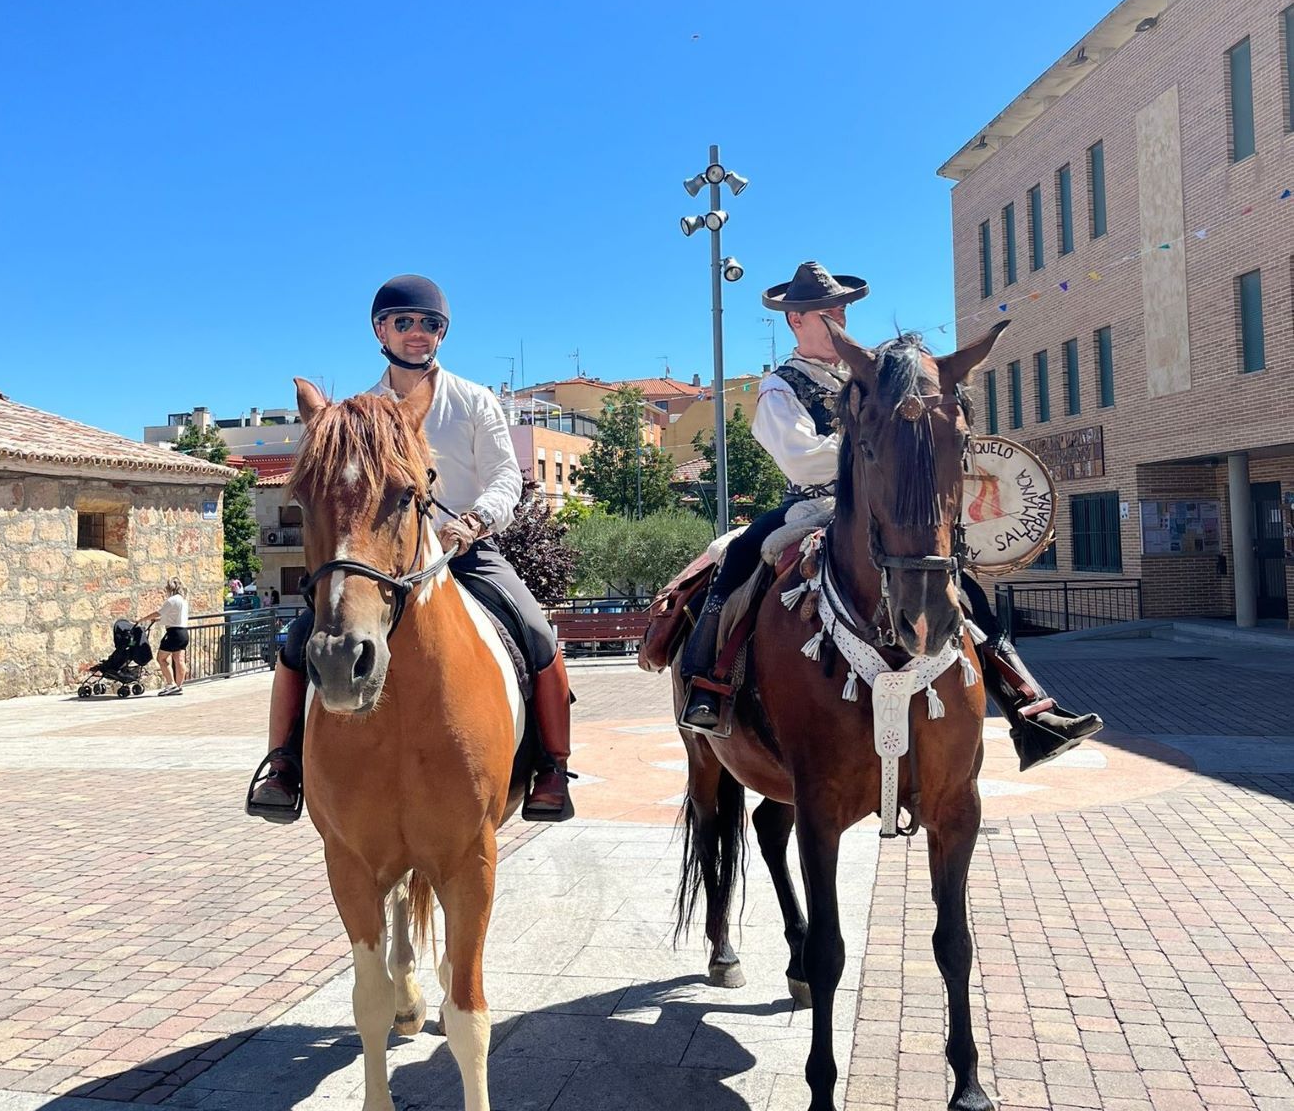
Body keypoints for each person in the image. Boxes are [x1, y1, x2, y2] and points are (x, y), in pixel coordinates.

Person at [679, 261, 1102, 772]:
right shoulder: (779, 385)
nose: (838, 317)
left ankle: (1027, 706)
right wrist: (869, 446)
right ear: (795, 320)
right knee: (740, 556)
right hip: (812, 504)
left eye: (841, 308)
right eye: (825, 310)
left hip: (884, 502)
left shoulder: (867, 376)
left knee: (956, 579)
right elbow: (798, 455)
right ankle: (709, 684)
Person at [246, 274, 575, 823]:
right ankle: (282, 764)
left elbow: (504, 478)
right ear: (381, 330)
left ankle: (552, 768)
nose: (417, 332)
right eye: (405, 323)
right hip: (382, 559)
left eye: (430, 324)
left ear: (442, 334)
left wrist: (472, 522)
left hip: (465, 550)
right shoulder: (358, 410)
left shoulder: (474, 401)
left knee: (537, 631)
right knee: (300, 637)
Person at [140, 577, 190, 695]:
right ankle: (178, 686)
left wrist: (142, 619)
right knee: (179, 660)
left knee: (161, 658)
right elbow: (173, 616)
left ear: (170, 588)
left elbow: (159, 612)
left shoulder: (171, 600)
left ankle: (170, 683)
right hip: (183, 633)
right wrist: (159, 620)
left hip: (173, 633)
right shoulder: (183, 600)